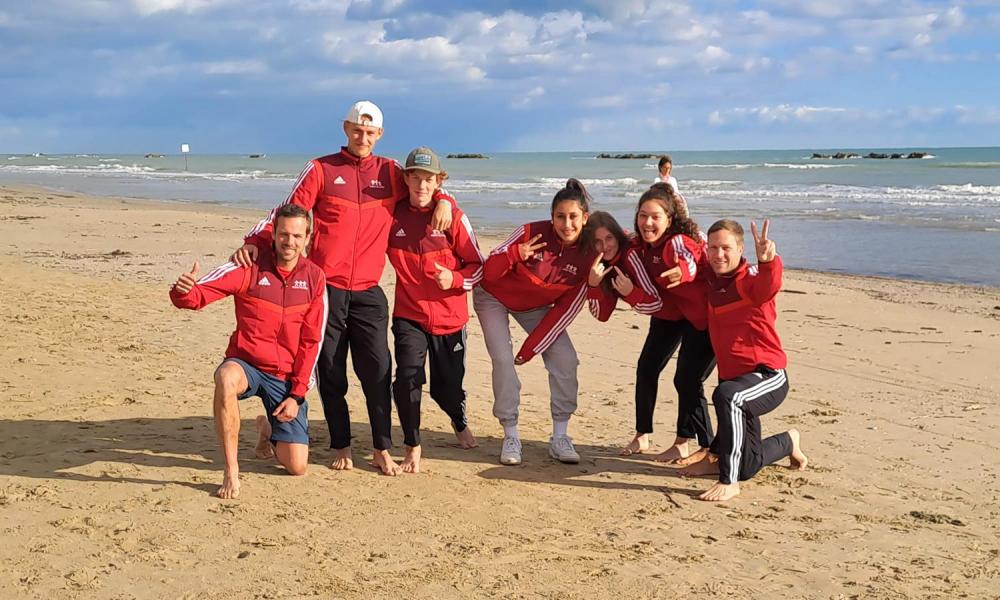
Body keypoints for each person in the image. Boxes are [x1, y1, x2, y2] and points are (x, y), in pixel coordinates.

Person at [230, 101, 455, 476]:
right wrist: (256, 237)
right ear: (346, 128)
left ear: (379, 135)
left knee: (378, 370)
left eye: (369, 133)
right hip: (326, 288)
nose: (362, 137)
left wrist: (445, 200)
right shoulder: (321, 169)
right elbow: (288, 210)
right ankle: (341, 444)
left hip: (368, 290)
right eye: (356, 130)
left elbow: (425, 188)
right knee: (331, 370)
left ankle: (382, 447)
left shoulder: (392, 173)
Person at [170, 204, 326, 499]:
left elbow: (312, 342)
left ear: (308, 237)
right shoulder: (249, 267)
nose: (289, 242)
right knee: (225, 377)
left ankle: (267, 428)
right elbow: (199, 295)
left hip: (285, 376)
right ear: (273, 234)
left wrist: (297, 395)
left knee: (297, 467)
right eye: (283, 234)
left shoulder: (316, 278)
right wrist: (183, 291)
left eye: (296, 236)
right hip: (248, 364)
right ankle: (231, 470)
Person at [680, 219, 807, 502]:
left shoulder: (750, 279)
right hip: (736, 382)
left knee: (728, 395)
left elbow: (768, 285)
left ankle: (729, 479)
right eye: (713, 248)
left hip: (768, 376)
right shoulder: (713, 281)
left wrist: (769, 261)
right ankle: (788, 442)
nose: (719, 254)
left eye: (726, 247)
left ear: (740, 249)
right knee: (749, 465)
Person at [474, 179, 597, 465]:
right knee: (503, 360)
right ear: (551, 216)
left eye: (573, 217)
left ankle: (560, 436)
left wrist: (530, 349)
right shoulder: (530, 232)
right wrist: (516, 254)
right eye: (560, 217)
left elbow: (563, 311)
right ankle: (511, 435)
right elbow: (488, 272)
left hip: (534, 306)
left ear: (585, 218)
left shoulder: (589, 254)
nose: (567, 224)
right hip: (493, 296)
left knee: (566, 359)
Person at [387, 147, 484, 473]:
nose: (422, 185)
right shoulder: (394, 213)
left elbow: (478, 266)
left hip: (449, 318)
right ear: (406, 179)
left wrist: (454, 278)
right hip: (409, 314)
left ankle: (458, 419)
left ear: (439, 180)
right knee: (407, 379)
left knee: (447, 388)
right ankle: (412, 444)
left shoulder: (453, 217)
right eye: (416, 177)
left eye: (429, 179)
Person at [615, 184, 716, 463]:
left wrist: (682, 272)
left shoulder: (677, 241)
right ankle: (642, 435)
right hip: (669, 314)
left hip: (701, 318)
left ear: (669, 220)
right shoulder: (640, 247)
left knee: (687, 378)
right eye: (643, 215)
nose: (648, 222)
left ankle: (687, 442)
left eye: (655, 216)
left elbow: (690, 259)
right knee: (647, 368)